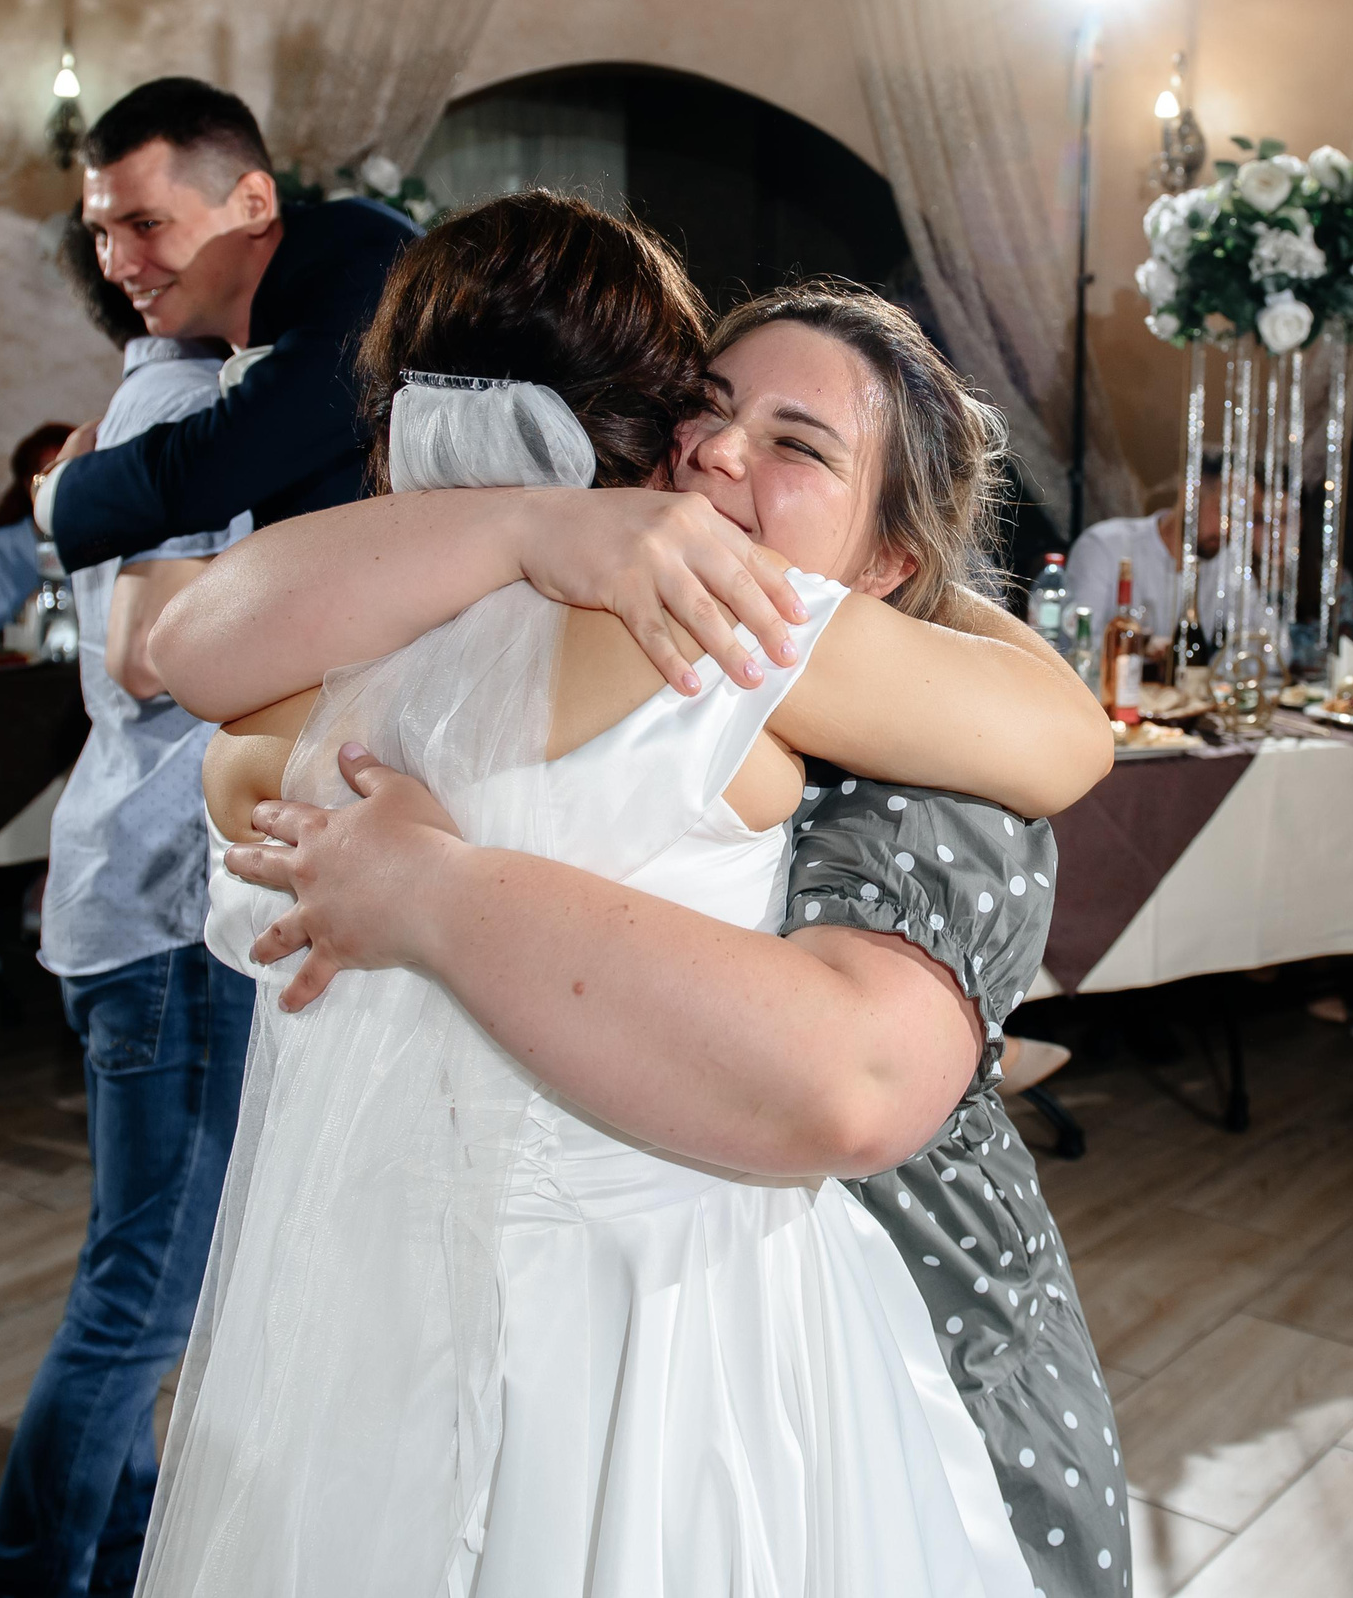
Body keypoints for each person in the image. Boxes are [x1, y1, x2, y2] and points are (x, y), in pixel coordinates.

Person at [137, 194, 1112, 1594]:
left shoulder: (324, 680)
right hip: (652, 1315)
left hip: (388, 1319)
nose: (717, 449)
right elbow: (1071, 731)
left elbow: (193, 660)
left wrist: (525, 537)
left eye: (796, 443)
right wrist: (551, 529)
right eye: (704, 407)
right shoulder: (732, 630)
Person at [0, 274, 249, 1597]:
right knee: (146, 1294)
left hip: (132, 895)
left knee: (136, 1269)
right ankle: (31, 1568)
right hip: (166, 908)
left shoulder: (166, 406)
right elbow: (151, 654)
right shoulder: (190, 410)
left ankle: (121, 1555)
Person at [31, 77, 418, 568]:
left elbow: (215, 467)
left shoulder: (362, 261)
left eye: (146, 225)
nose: (113, 266)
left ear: (253, 204)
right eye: (101, 234)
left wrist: (54, 492)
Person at [1061, 452, 1254, 641]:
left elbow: (1260, 641)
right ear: (1190, 494)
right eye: (1225, 511)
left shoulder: (1230, 565)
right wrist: (1138, 650)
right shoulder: (1104, 546)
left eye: (1243, 519)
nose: (1230, 528)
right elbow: (1076, 642)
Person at [0, 422, 74, 635]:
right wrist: (34, 609)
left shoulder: (109, 543)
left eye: (69, 472)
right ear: (28, 484)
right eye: (49, 474)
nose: (61, 485)